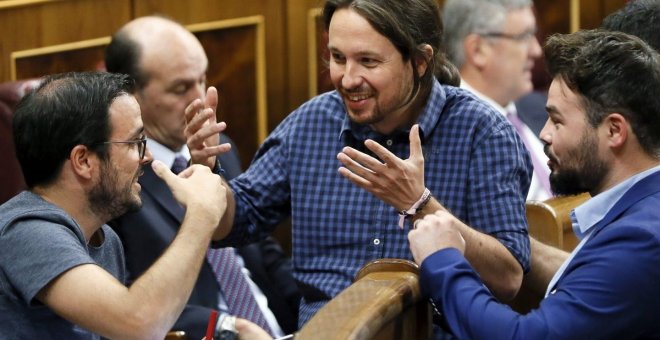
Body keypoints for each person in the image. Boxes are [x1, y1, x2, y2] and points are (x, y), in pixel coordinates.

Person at [185, 0, 533, 330]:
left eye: (368, 61)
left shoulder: (482, 132)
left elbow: (508, 279)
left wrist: (421, 205)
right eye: (338, 57)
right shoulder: (311, 124)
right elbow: (236, 222)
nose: (348, 79)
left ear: (420, 60)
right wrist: (207, 173)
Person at [408, 29, 660, 338]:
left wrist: (442, 259)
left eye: (557, 121)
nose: (544, 134)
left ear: (614, 131)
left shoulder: (639, 239)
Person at [105, 16, 300, 339]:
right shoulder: (116, 180)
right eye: (180, 88)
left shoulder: (220, 147)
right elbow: (118, 305)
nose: (199, 101)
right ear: (130, 93)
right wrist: (226, 328)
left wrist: (318, 307)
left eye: (202, 79)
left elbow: (260, 249)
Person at [0, 72, 230, 338]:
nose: (148, 156)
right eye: (135, 143)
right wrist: (201, 215)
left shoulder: (105, 239)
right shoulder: (26, 231)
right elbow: (139, 323)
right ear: (83, 161)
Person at [443, 0, 551, 200]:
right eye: (525, 36)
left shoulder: (541, 109)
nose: (536, 50)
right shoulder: (447, 133)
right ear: (478, 50)